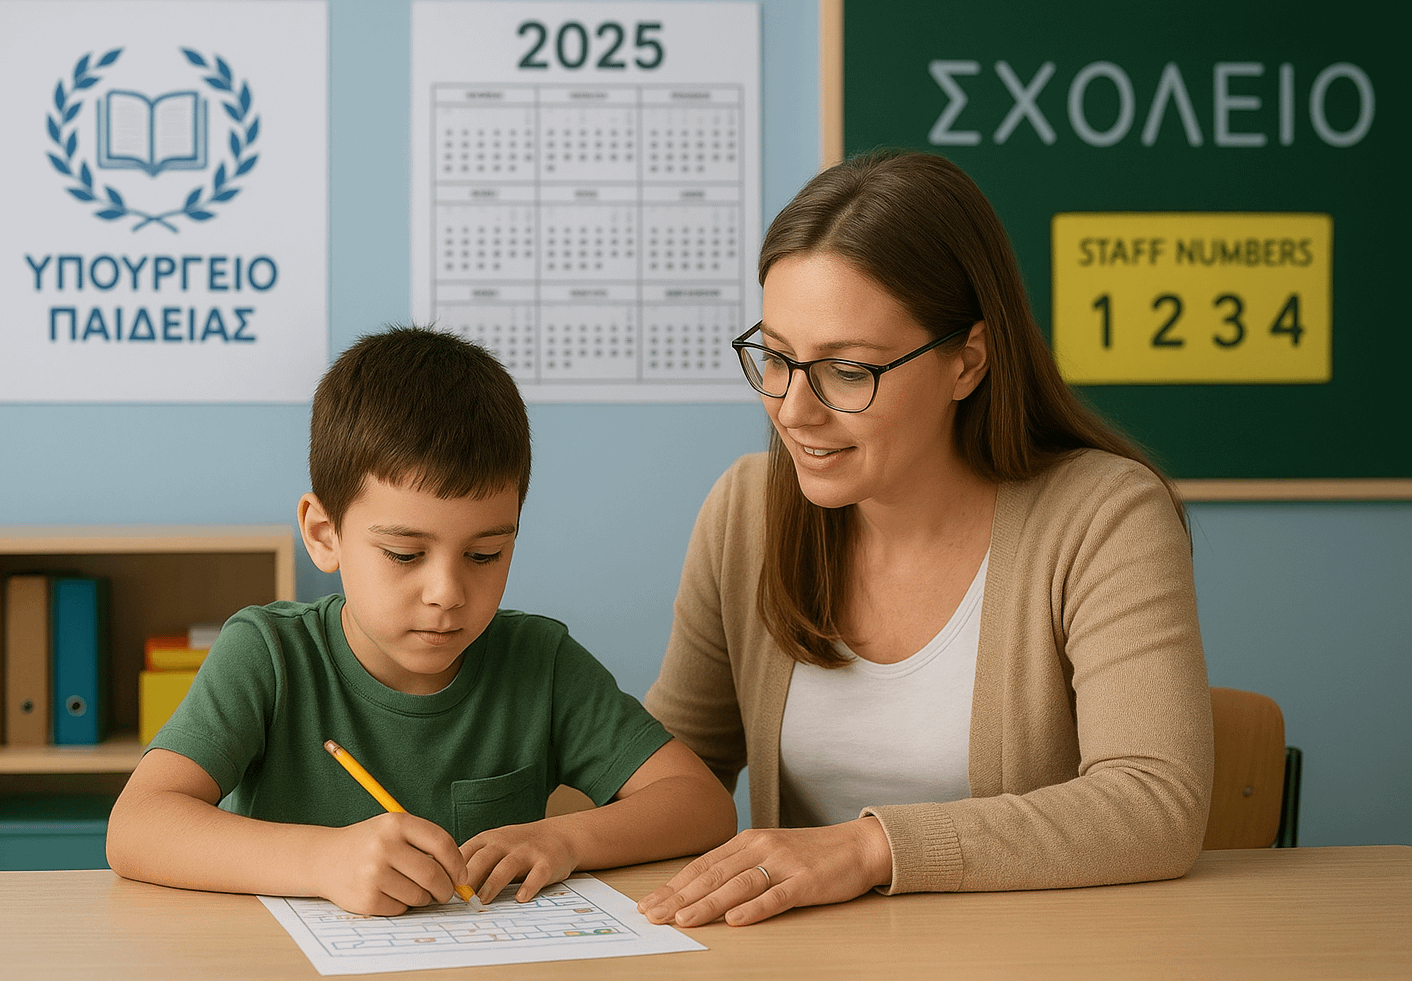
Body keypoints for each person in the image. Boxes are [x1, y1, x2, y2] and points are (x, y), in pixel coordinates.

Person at [637, 151, 1212, 929]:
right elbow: (675, 774)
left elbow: (1154, 803)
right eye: (776, 357)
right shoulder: (746, 511)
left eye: (846, 369)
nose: (793, 411)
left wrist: (870, 848)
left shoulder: (1102, 516)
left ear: (967, 361)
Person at [107, 326, 736, 916]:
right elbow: (138, 826)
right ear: (324, 534)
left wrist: (565, 839)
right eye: (406, 555)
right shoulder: (269, 655)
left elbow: (703, 805)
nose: (447, 593)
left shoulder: (538, 662)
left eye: (485, 554)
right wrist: (323, 861)